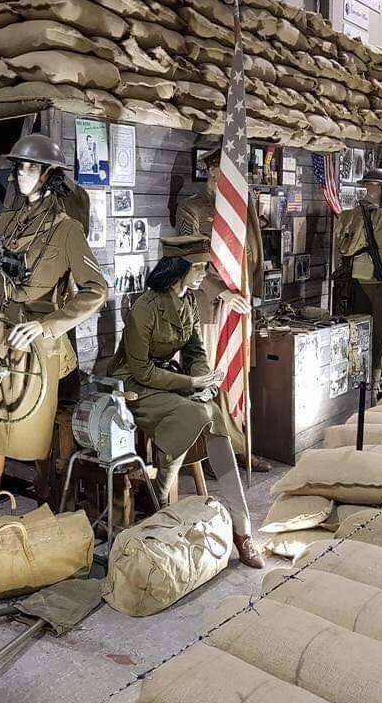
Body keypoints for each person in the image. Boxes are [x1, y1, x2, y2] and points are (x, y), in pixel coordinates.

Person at [0, 134, 108, 506]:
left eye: (29, 167)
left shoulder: (66, 229)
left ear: (48, 175)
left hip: (35, 345)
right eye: (18, 167)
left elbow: (96, 290)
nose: (20, 174)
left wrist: (48, 326)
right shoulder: (4, 222)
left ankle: (46, 499)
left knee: (36, 437)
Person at [108, 235, 264, 568]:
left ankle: (242, 528)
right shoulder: (145, 308)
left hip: (169, 380)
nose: (204, 274)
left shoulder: (188, 301)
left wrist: (203, 380)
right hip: (134, 385)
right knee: (196, 414)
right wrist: (191, 383)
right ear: (178, 268)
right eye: (199, 267)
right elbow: (141, 370)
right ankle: (161, 497)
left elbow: (195, 353)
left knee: (212, 413)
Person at [175, 145, 269, 472]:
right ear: (210, 172)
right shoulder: (191, 209)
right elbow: (188, 258)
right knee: (209, 379)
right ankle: (211, 453)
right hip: (207, 308)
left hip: (239, 305)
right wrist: (222, 293)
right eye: (218, 170)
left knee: (235, 379)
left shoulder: (244, 206)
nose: (223, 176)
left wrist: (253, 293)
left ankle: (237, 447)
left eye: (230, 170)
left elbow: (254, 250)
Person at [334, 168, 382, 389]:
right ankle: (374, 386)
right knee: (378, 334)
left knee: (356, 331)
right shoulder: (381, 217)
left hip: (351, 281)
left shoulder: (348, 215)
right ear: (377, 189)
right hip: (375, 283)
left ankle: (356, 384)